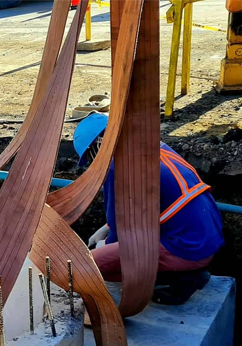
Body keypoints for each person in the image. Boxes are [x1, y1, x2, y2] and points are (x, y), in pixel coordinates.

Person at [74, 112, 224, 305]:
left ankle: (180, 278)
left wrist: (106, 247)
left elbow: (121, 230)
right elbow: (139, 209)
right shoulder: (156, 147)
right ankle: (181, 275)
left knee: (91, 265)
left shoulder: (115, 166)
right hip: (204, 242)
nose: (93, 163)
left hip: (186, 248)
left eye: (89, 157)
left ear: (95, 147)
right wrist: (106, 228)